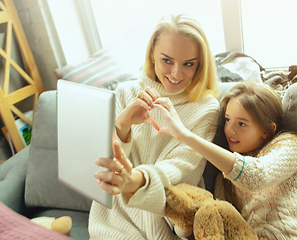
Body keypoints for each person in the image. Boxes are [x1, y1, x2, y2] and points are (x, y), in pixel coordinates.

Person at [154, 81, 297, 239]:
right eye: (227, 119)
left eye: (242, 124)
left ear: (266, 130)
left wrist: (185, 136)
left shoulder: (289, 145)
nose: (230, 130)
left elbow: (256, 176)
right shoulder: (223, 181)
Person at [89, 14, 220, 239]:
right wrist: (122, 125)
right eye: (167, 61)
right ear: (152, 55)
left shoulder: (206, 108)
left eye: (188, 64)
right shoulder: (125, 91)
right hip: (110, 220)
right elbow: (104, 165)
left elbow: (181, 171)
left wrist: (135, 181)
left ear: (200, 65)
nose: (176, 74)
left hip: (161, 222)